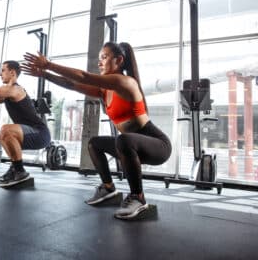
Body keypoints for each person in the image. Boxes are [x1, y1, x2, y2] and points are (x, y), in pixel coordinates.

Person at [22, 42, 171, 219]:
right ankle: (108, 188)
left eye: (105, 57)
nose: (100, 62)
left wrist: (49, 65)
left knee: (123, 140)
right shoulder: (104, 90)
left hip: (157, 145)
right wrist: (44, 74)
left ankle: (138, 198)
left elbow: (83, 76)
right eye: (99, 58)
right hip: (132, 146)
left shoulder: (124, 82)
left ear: (119, 60)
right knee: (95, 143)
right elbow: (72, 84)